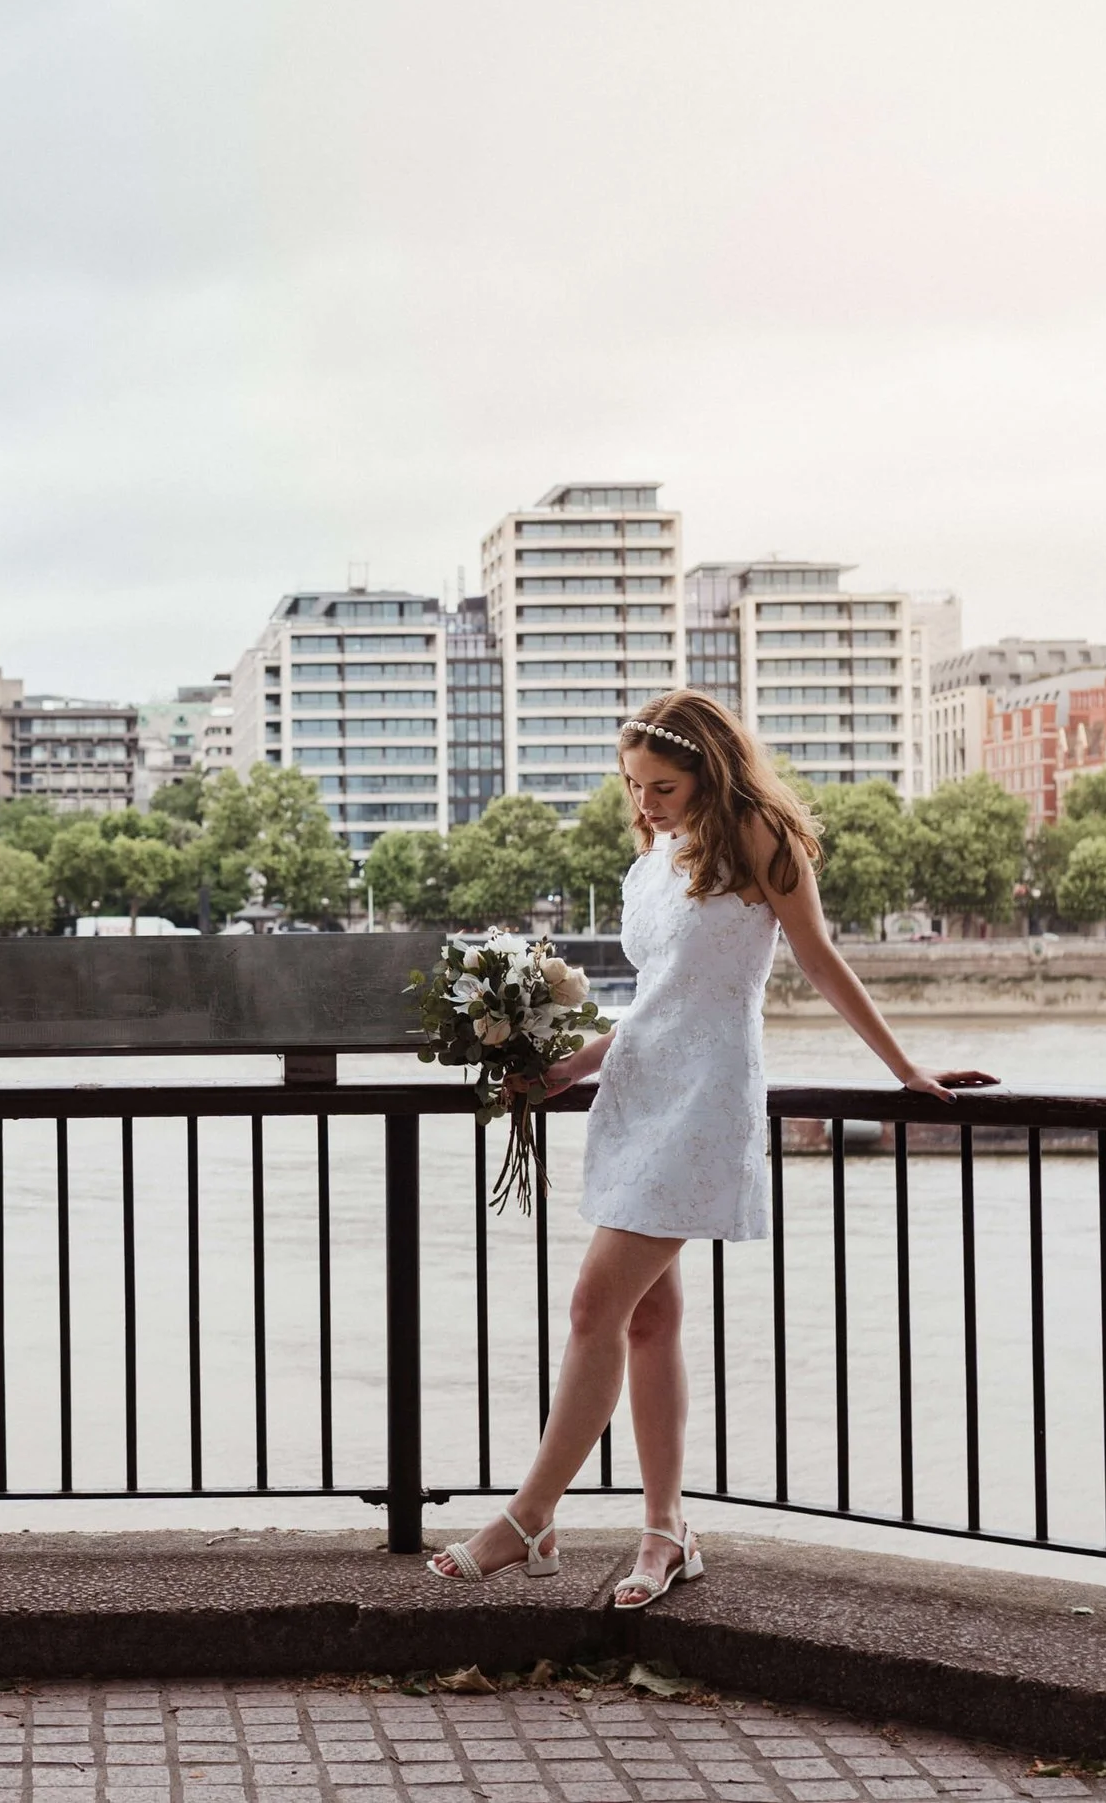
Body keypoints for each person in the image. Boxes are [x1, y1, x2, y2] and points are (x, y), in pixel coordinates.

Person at [426, 688, 995, 1607]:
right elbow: (658, 1000)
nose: (645, 802)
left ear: (709, 771)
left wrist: (905, 1067)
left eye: (663, 786)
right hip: (637, 1091)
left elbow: (819, 958)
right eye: (634, 785)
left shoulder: (762, 835)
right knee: (647, 1320)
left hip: (704, 1101)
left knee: (592, 1305)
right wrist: (569, 1067)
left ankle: (529, 1516)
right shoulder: (654, 858)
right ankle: (667, 1531)